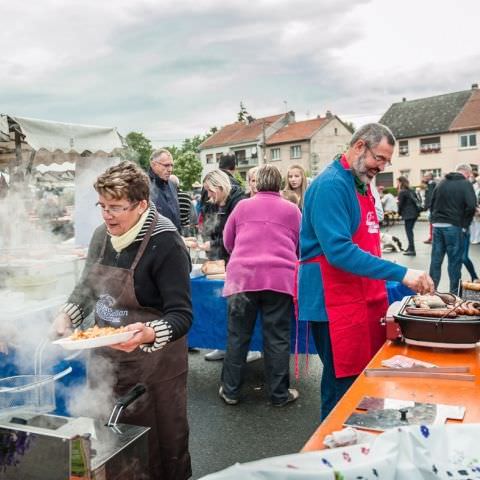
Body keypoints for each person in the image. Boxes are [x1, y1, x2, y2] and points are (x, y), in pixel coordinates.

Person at [53, 161, 192, 479]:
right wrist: (67, 314)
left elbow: (182, 315)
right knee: (110, 445)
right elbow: (86, 288)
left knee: (159, 447)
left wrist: (147, 333)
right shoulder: (102, 236)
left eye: (116, 207)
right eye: (102, 205)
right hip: (105, 361)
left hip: (154, 368)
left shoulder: (166, 242)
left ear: (141, 204)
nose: (106, 215)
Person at [297, 123, 434, 420]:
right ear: (360, 146)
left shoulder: (360, 183)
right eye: (379, 158)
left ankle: (362, 441)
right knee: (342, 387)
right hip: (334, 300)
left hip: (363, 296)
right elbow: (339, 251)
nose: (381, 167)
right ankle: (332, 453)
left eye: (387, 161)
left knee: (365, 381)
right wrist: (402, 273)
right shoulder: (331, 185)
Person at [218, 165, 302, 406]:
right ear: (279, 183)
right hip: (279, 279)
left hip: (243, 278)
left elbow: (227, 240)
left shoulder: (242, 206)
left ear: (257, 183)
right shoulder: (292, 210)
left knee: (237, 336)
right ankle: (279, 394)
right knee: (277, 338)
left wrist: (243, 256)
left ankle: (231, 391)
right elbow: (300, 244)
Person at [197, 169, 245, 362]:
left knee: (237, 309)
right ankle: (222, 345)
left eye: (209, 191)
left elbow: (237, 238)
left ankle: (246, 349)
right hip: (225, 260)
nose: (208, 196)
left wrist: (214, 244)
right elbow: (219, 231)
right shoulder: (223, 202)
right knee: (224, 307)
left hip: (237, 263)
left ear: (219, 186)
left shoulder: (238, 202)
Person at [429, 164, 477, 293]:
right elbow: (472, 206)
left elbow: (431, 204)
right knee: (454, 262)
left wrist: (434, 220)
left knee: (436, 261)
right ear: (467, 173)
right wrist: (464, 224)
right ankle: (454, 294)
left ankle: (430, 293)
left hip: (437, 226)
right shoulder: (465, 184)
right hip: (454, 227)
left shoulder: (441, 183)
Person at [148, 149, 181, 230]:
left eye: (171, 165)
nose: (170, 169)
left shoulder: (172, 184)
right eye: (166, 165)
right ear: (153, 165)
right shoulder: (144, 186)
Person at [396, 176, 421, 256]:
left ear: (400, 182)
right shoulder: (411, 190)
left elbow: (400, 205)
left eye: (397, 182)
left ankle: (412, 250)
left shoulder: (402, 192)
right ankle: (410, 247)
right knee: (410, 231)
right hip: (415, 213)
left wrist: (398, 213)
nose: (397, 184)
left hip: (408, 214)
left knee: (409, 231)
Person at [422, 172, 436, 244]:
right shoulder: (430, 184)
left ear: (430, 177)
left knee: (432, 222)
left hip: (433, 207)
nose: (424, 178)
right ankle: (431, 237)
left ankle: (432, 238)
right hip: (432, 206)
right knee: (431, 222)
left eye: (425, 176)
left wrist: (427, 206)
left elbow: (430, 196)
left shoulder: (431, 184)